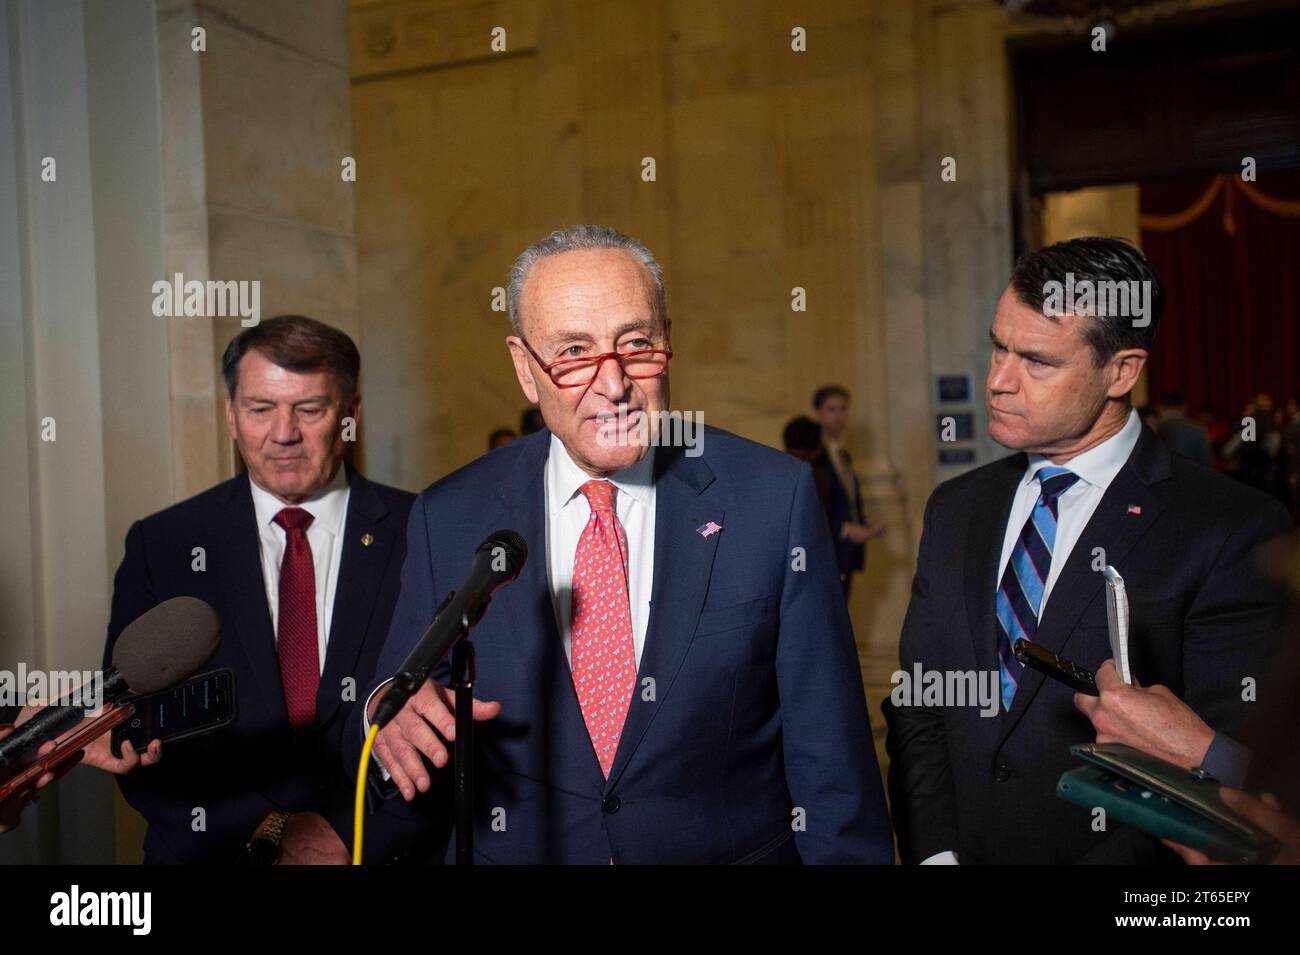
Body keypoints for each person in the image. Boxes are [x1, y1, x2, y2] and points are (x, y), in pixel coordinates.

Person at [353, 225, 893, 864]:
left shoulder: (773, 499)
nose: (613, 384)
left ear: (669, 342)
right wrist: (388, 711)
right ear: (526, 370)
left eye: (636, 344)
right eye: (574, 352)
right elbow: (399, 685)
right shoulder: (449, 514)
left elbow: (830, 757)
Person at [883, 237, 1291, 864]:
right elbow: (920, 706)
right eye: (998, 347)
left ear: (1122, 371)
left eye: (1037, 362)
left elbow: (1237, 778)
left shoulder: (1229, 528)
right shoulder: (956, 507)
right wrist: (937, 853)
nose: (998, 381)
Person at [103, 316, 414, 864]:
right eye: (260, 408)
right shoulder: (164, 543)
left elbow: (461, 726)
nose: (284, 433)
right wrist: (272, 830)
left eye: (310, 409)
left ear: (350, 416)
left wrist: (344, 831)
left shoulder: (424, 530)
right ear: (230, 415)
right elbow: (128, 730)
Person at [811, 386, 883, 596]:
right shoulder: (814, 455)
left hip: (845, 553)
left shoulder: (842, 454)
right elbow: (812, 507)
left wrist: (862, 523)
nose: (838, 416)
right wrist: (845, 529)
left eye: (843, 409)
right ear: (818, 413)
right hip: (826, 551)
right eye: (831, 409)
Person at [1156, 393, 1211, 466]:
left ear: (1162, 406)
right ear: (1184, 407)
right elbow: (1206, 461)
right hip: (1192, 474)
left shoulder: (1152, 428)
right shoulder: (1198, 429)